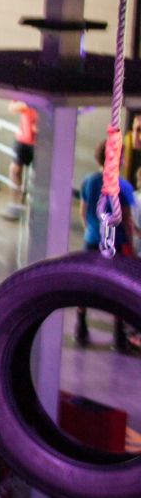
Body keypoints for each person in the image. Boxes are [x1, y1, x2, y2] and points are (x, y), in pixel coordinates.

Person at [77, 143, 137, 351]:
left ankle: (81, 325)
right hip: (115, 242)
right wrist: (131, 247)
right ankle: (118, 334)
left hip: (92, 239)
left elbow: (83, 212)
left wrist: (91, 230)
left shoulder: (88, 181)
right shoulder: (123, 186)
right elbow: (126, 220)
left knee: (84, 284)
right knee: (117, 288)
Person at [9, 99, 39, 203]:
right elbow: (12, 107)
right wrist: (27, 103)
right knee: (15, 170)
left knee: (39, 176)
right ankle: (16, 202)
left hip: (42, 142)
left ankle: (35, 205)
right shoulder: (25, 92)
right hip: (23, 139)